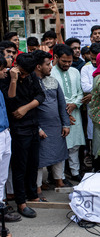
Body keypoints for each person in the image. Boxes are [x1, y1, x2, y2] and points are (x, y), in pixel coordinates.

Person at [1, 53, 45, 218]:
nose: (25, 75)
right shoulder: (7, 76)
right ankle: (21, 202)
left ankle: (33, 195)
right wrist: (13, 80)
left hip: (33, 124)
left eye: (28, 73)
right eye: (24, 72)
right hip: (18, 128)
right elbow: (10, 100)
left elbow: (41, 95)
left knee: (33, 163)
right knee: (20, 167)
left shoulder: (31, 75)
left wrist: (26, 107)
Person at [33, 50, 70, 191]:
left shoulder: (53, 81)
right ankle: (38, 188)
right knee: (40, 159)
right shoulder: (30, 83)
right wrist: (38, 128)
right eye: (48, 64)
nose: (51, 67)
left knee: (59, 154)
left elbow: (62, 104)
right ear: (38, 66)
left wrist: (65, 123)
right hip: (40, 127)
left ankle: (59, 181)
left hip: (56, 126)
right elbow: (31, 111)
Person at [51, 45, 86, 182]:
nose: (67, 64)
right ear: (56, 58)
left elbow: (80, 92)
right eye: (64, 61)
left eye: (69, 61)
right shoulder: (51, 72)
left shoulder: (75, 72)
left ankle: (75, 172)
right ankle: (61, 176)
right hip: (58, 113)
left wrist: (74, 105)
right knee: (62, 145)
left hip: (75, 111)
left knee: (75, 145)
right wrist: (65, 108)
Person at [0, 54, 21, 223]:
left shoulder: (2, 85)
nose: (5, 72)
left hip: (5, 132)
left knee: (2, 177)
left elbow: (10, 99)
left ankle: (1, 208)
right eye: (2, 69)